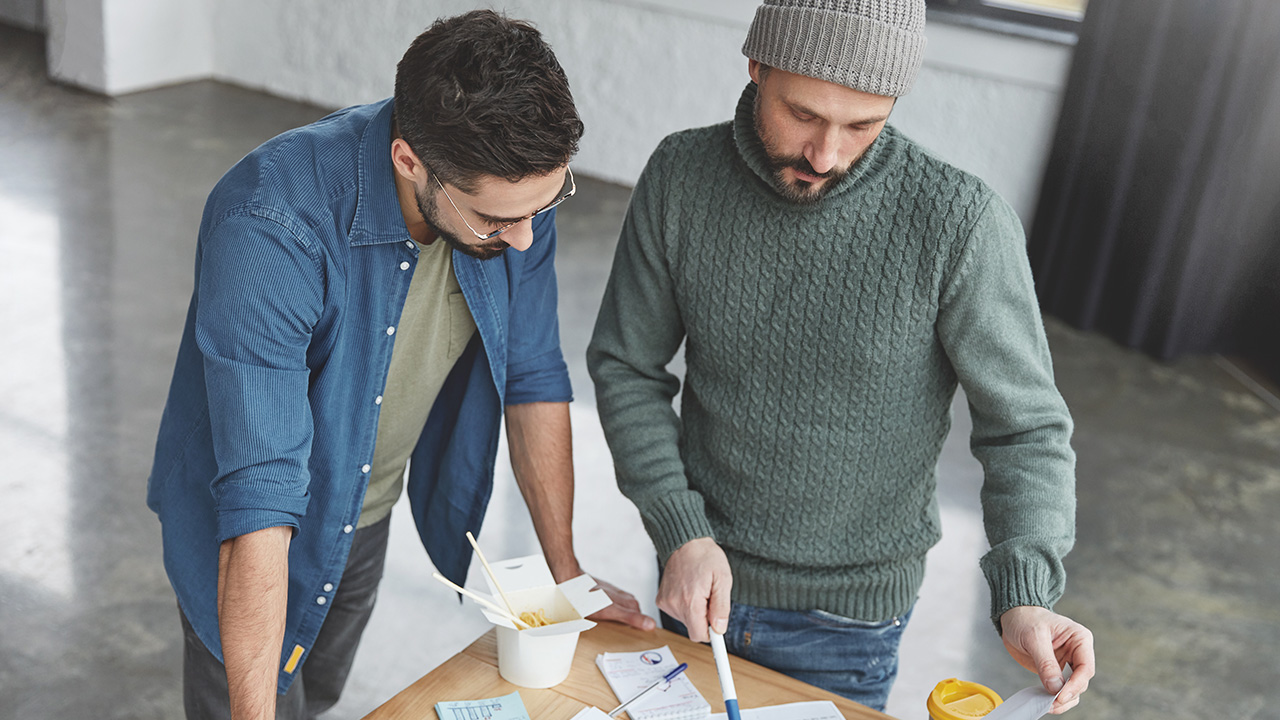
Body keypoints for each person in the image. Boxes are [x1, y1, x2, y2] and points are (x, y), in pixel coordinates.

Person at [587, 0, 1095, 714]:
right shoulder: (680, 177)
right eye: (803, 114)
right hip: (696, 580)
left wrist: (1026, 595)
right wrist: (679, 527)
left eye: (863, 125)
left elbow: (1026, 429)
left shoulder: (960, 224)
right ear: (756, 64)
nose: (826, 155)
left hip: (848, 629)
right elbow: (626, 366)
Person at [147, 10, 652, 719]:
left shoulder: (512, 194)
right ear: (410, 160)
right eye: (496, 221)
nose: (527, 237)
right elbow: (258, 498)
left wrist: (566, 577)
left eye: (545, 204)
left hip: (366, 508)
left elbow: (533, 373)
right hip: (247, 534)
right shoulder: (268, 225)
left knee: (315, 696)